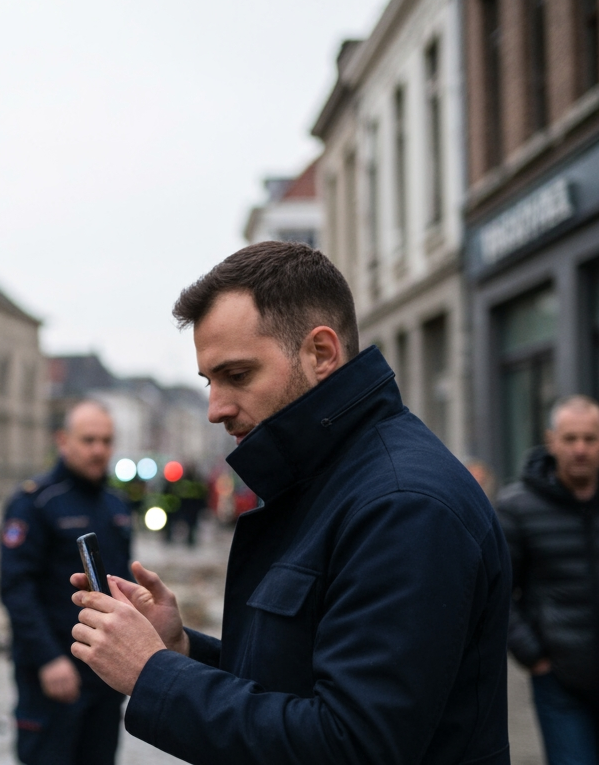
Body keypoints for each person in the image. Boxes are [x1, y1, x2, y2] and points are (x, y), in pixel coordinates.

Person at [69, 242, 510, 764]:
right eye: (209, 382)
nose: (215, 409)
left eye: (237, 375)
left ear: (321, 354)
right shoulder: (328, 480)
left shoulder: (402, 506)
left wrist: (153, 674)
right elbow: (294, 679)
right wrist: (181, 652)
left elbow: (352, 745)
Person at [0, 400, 135, 765]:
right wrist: (48, 659)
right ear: (63, 440)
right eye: (88, 440)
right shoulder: (35, 502)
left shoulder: (116, 506)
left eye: (106, 441)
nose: (99, 450)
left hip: (104, 674)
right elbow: (16, 588)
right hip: (53, 671)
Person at [495, 395, 599, 764]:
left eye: (590, 438)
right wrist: (534, 656)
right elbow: (498, 590)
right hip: (560, 681)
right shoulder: (517, 507)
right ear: (551, 440)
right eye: (571, 439)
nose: (581, 449)